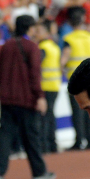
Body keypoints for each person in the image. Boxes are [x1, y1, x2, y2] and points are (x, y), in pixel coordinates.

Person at [0, 15, 55, 179]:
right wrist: (40, 96)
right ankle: (39, 172)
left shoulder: (5, 46)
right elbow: (35, 74)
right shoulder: (32, 47)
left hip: (7, 98)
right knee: (31, 137)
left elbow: (0, 71)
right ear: (29, 28)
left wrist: (0, 91)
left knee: (4, 135)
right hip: (26, 99)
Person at [61, 7, 90, 150]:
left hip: (75, 80)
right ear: (82, 21)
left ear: (70, 22)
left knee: (77, 111)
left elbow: (65, 57)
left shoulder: (68, 39)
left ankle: (79, 140)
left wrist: (60, 67)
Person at [37, 20, 62, 153]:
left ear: (46, 33)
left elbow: (37, 64)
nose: (36, 33)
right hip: (54, 85)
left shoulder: (43, 47)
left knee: (44, 117)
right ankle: (52, 144)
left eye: (39, 31)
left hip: (45, 85)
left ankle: (44, 145)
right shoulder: (54, 46)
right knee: (50, 115)